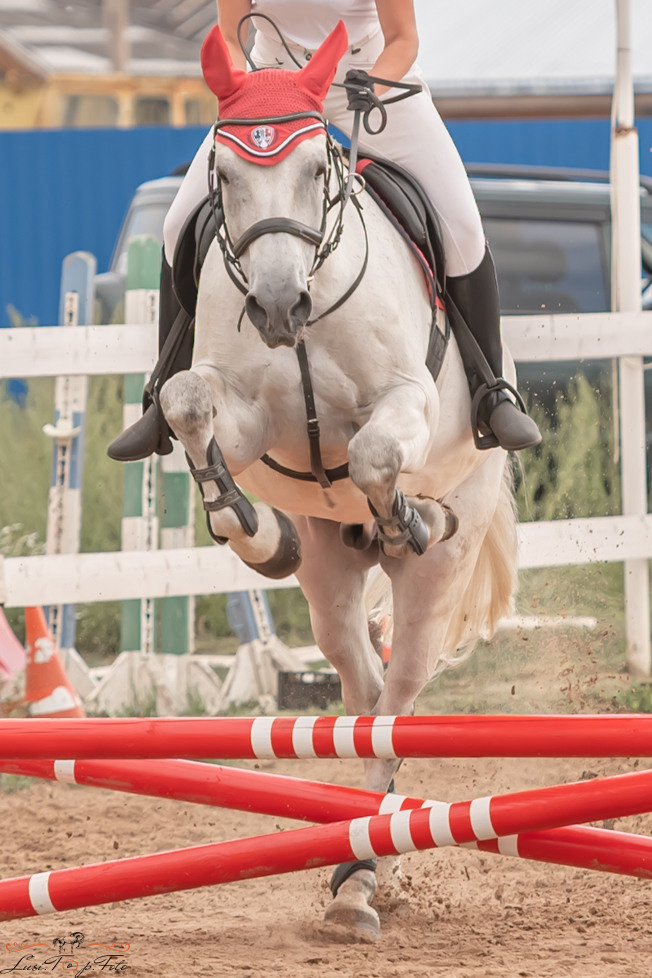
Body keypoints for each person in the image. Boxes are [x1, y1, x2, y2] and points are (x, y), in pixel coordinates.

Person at [108, 0, 541, 462]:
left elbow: (403, 39)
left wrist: (371, 83)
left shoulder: (373, 73)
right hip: (272, 86)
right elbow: (231, 36)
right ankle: (162, 398)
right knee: (176, 225)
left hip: (366, 77)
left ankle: (489, 392)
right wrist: (242, 88)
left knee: (464, 229)